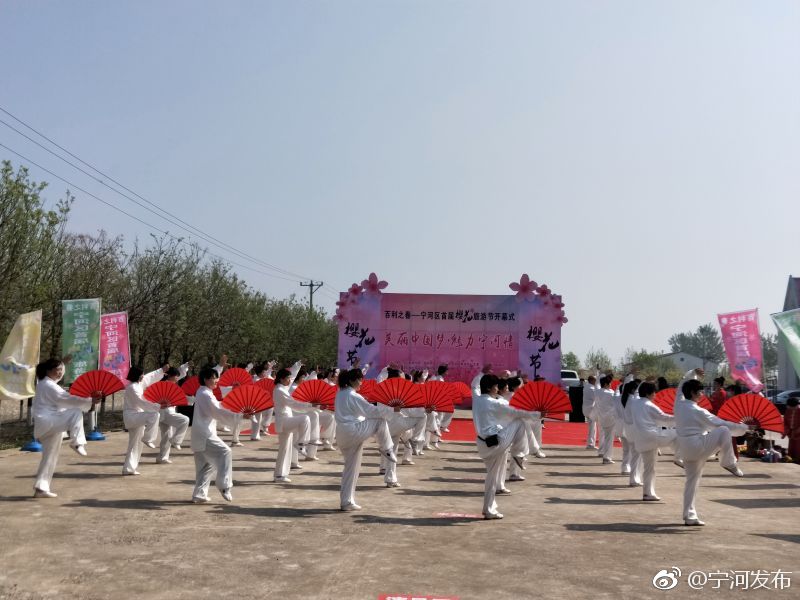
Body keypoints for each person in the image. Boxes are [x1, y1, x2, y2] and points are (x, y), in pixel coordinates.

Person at [675, 374, 749, 526]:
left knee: (691, 483)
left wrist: (691, 374)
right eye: (700, 392)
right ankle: (729, 462)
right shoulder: (697, 410)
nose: (702, 395)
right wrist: (744, 428)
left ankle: (689, 516)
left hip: (686, 450)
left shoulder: (678, 404)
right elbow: (720, 423)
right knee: (723, 430)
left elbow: (679, 389)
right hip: (697, 446)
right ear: (693, 393)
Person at [31, 358, 101, 498]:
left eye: (61, 371)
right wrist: (89, 401)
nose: (60, 373)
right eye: (57, 370)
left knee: (50, 457)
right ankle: (77, 442)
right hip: (48, 421)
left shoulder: (45, 383)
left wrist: (91, 401)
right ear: (48, 371)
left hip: (49, 424)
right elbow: (67, 399)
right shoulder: (49, 385)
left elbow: (65, 398)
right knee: (75, 412)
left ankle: (41, 487)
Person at [473, 374, 538, 519]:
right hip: (495, 443)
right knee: (520, 422)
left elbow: (474, 386)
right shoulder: (494, 403)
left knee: (491, 476)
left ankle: (488, 509)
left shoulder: (477, 400)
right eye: (496, 386)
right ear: (490, 387)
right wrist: (538, 414)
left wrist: (481, 373)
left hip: (483, 444)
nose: (498, 389)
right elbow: (517, 412)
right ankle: (519, 454)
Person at [334, 368, 397, 510]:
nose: (361, 383)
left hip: (343, 434)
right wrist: (392, 409)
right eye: (359, 380)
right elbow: (371, 411)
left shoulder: (340, 394)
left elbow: (363, 413)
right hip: (352, 431)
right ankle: (386, 448)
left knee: (351, 468)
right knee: (380, 421)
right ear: (351, 381)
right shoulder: (353, 395)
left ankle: (346, 502)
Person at [191, 366, 240, 503]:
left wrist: (235, 406)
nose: (216, 380)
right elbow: (217, 410)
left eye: (217, 377)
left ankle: (199, 495)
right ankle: (224, 486)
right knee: (225, 451)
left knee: (207, 465)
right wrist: (238, 415)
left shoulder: (203, 392)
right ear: (206, 380)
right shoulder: (205, 394)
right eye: (213, 378)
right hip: (204, 434)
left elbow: (218, 405)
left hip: (201, 433)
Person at [630, 382, 682, 501]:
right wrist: (681, 417)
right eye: (654, 392)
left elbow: (636, 393)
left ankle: (648, 493)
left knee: (649, 467)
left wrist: (642, 382)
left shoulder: (634, 403)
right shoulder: (650, 405)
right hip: (652, 436)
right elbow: (664, 418)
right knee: (678, 434)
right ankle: (679, 457)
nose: (655, 395)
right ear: (648, 393)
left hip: (641, 440)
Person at [272, 362, 316, 482]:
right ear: (281, 379)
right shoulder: (280, 391)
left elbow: (291, 379)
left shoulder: (281, 388)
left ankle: (279, 475)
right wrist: (311, 405)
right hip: (284, 421)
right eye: (287, 378)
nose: (290, 380)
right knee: (305, 419)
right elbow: (294, 404)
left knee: (285, 449)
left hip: (284, 421)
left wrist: (297, 366)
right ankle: (301, 444)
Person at [122, 365, 164, 475]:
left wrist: (161, 370)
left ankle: (129, 468)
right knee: (154, 415)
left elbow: (150, 377)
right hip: (132, 416)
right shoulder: (132, 388)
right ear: (136, 376)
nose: (143, 377)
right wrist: (159, 406)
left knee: (135, 444)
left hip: (137, 416)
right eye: (141, 375)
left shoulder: (139, 384)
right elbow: (142, 402)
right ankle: (149, 438)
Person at [156, 364, 190, 464]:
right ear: (170, 376)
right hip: (166, 412)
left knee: (166, 435)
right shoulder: (163, 385)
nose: (177, 378)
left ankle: (162, 457)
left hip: (166, 413)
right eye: (176, 376)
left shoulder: (173, 385)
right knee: (185, 420)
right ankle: (176, 440)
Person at [594, 376, 618, 464]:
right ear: (605, 384)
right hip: (610, 418)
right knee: (609, 438)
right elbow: (617, 399)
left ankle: (602, 452)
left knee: (603, 436)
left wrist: (598, 375)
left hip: (601, 417)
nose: (611, 385)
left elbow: (597, 385)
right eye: (610, 383)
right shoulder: (610, 393)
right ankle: (607, 457)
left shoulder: (597, 392)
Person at [583, 375, 599, 449]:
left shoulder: (586, 386)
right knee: (592, 428)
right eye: (595, 380)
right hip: (590, 410)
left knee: (592, 427)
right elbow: (597, 398)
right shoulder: (591, 389)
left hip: (586, 409)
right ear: (592, 381)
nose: (596, 382)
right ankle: (590, 444)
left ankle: (590, 443)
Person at [783, 396, 800, 463]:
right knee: (791, 446)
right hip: (791, 432)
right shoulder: (788, 410)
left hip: (798, 432)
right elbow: (785, 421)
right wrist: (786, 430)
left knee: (798, 447)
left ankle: (798, 460)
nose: (789, 407)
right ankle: (791, 459)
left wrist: (798, 430)